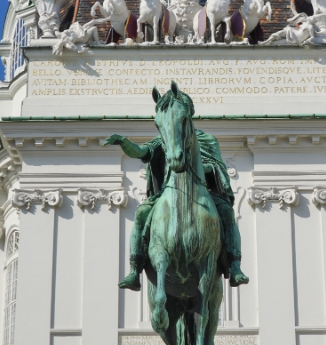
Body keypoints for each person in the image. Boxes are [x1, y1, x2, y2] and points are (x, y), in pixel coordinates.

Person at [105, 94, 249, 292]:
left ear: (188, 115)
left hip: (203, 193)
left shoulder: (207, 140)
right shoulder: (162, 140)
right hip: (168, 193)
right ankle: (134, 269)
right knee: (141, 214)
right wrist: (124, 143)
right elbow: (140, 152)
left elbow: (218, 168)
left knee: (226, 212)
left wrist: (204, 167)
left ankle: (234, 265)